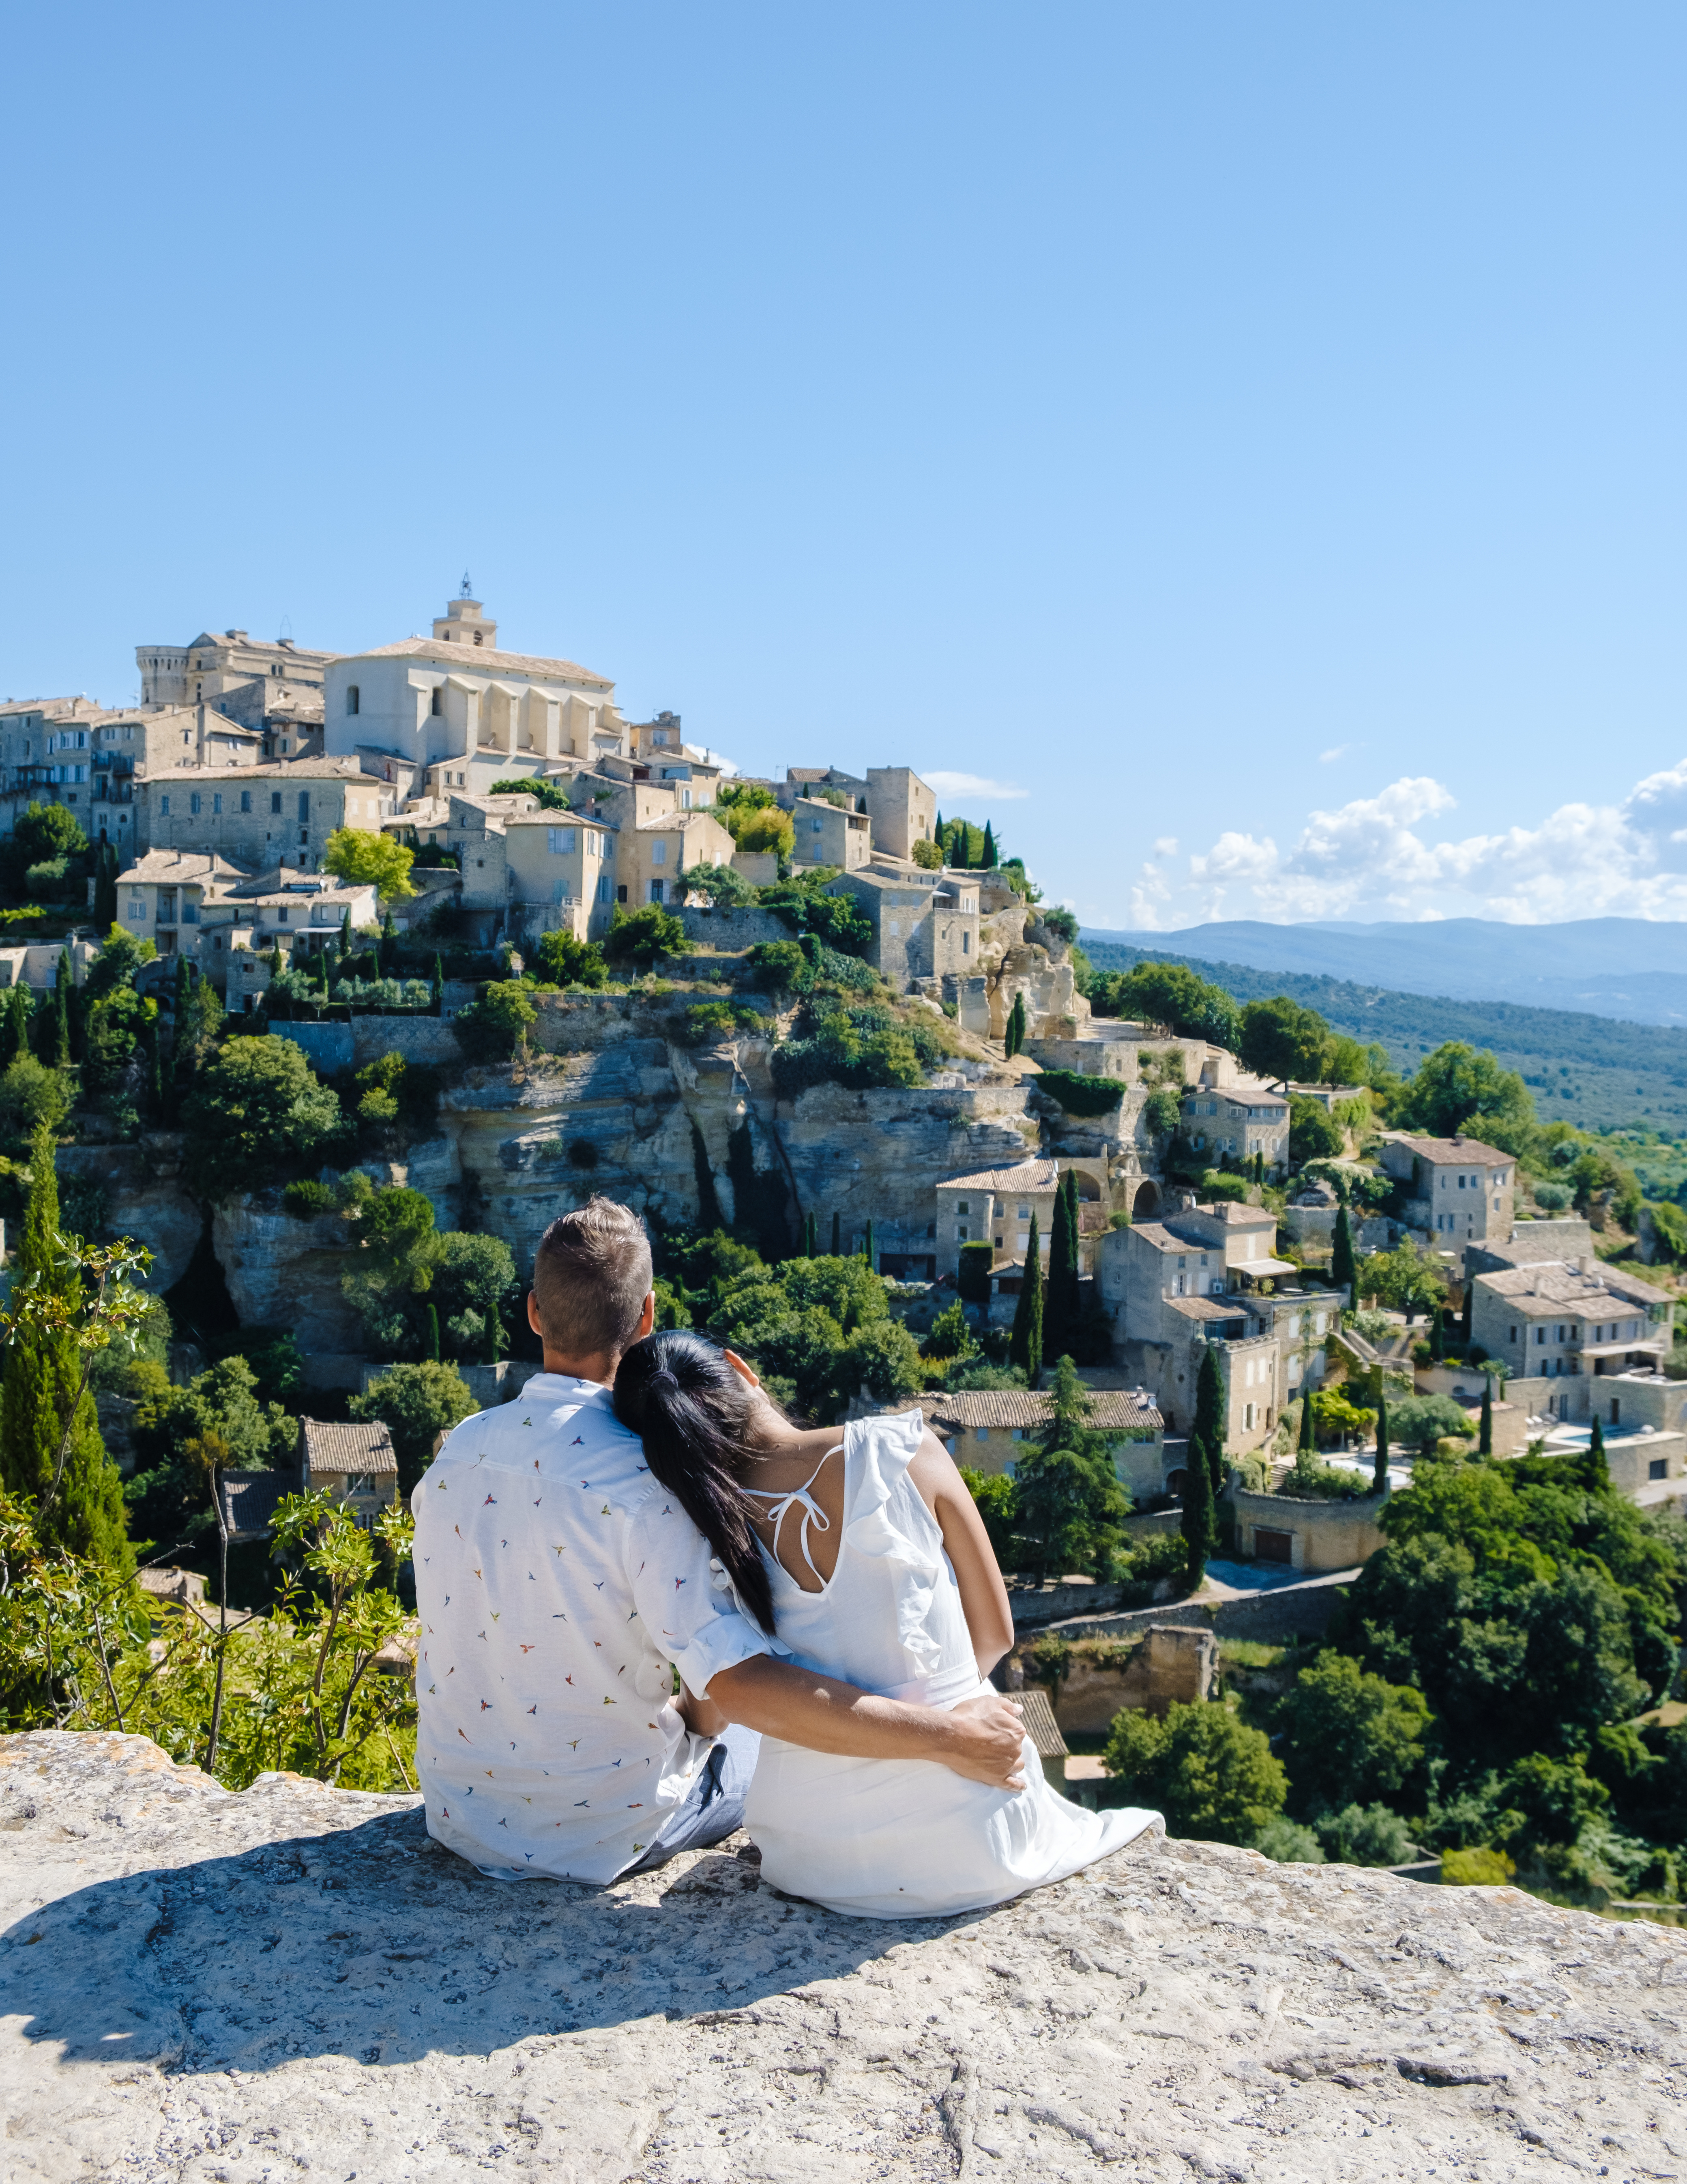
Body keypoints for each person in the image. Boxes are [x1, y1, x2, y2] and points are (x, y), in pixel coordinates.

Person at [410, 1197, 1029, 1884]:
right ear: (647, 1318)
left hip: (459, 1816)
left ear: (533, 1313)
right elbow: (739, 1691)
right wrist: (951, 1738)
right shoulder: (647, 1483)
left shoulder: (456, 1452)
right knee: (779, 1744)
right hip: (601, 1836)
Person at [612, 1328, 1159, 1918]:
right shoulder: (903, 1448)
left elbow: (720, 1708)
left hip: (811, 1857)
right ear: (741, 1369)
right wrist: (936, 1710)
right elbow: (997, 1633)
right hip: (979, 1843)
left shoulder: (695, 1532)